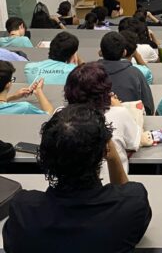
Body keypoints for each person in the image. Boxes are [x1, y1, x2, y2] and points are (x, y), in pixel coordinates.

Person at [2, 104, 152, 252]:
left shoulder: (23, 211)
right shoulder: (132, 203)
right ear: (105, 150)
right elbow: (124, 192)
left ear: (45, 155)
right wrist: (113, 157)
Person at [64, 63, 143, 179]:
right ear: (104, 90)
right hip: (112, 186)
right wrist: (120, 107)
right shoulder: (119, 113)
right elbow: (134, 143)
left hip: (67, 189)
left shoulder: (60, 115)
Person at [98, 32, 154, 114]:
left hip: (93, 123)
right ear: (124, 52)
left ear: (101, 52)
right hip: (129, 123)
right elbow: (149, 108)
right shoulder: (136, 73)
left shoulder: (87, 73)